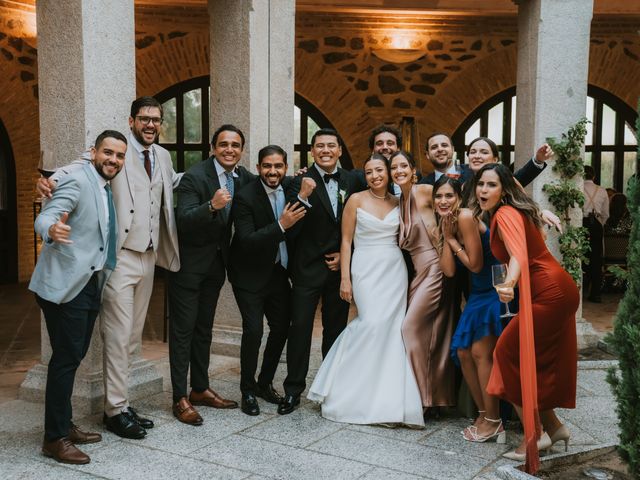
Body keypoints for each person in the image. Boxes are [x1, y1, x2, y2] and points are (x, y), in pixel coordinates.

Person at [38, 96, 182, 439]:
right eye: (144, 118)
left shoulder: (161, 156)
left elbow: (173, 183)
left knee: (131, 338)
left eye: (156, 119)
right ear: (132, 120)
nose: (150, 124)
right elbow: (72, 170)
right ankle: (115, 410)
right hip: (118, 258)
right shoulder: (114, 151)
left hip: (149, 258)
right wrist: (47, 181)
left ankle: (121, 402)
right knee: (117, 337)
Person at [473, 163, 579, 473]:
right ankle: (554, 427)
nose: (483, 190)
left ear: (503, 190)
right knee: (530, 358)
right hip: (557, 288)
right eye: (481, 184)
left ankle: (535, 434)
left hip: (549, 292)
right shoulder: (512, 210)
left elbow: (518, 254)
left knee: (506, 354)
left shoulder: (505, 214)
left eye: (491, 185)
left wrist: (508, 283)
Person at [30, 130, 127, 464]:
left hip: (89, 282)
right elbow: (46, 215)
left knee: (72, 356)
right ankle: (54, 438)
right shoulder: (78, 179)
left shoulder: (102, 183)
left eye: (119, 155)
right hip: (65, 286)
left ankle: (63, 425)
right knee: (66, 359)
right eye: (108, 153)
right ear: (93, 152)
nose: (113, 160)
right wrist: (50, 230)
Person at [307, 154, 424, 427]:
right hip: (365, 269)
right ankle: (345, 389)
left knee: (392, 331)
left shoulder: (400, 201)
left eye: (380, 170)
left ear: (389, 172)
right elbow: (346, 242)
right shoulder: (356, 200)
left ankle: (386, 402)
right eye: (369, 171)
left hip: (394, 270)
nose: (375, 176)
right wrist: (345, 279)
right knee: (370, 323)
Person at [169, 124, 254, 425]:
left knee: (204, 328)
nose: (229, 149)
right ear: (213, 148)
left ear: (241, 150)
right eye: (223, 144)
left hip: (216, 267)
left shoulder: (242, 178)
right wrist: (211, 206)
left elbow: (269, 187)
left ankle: (200, 389)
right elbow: (184, 219)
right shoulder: (196, 176)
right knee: (183, 331)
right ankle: (179, 397)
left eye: (235, 145)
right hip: (189, 267)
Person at [279, 128, 366, 415]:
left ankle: (331, 388)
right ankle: (293, 390)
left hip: (339, 270)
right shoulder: (296, 182)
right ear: (312, 152)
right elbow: (292, 229)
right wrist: (303, 196)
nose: (326, 150)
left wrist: (345, 256)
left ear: (340, 150)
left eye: (331, 146)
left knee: (335, 331)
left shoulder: (354, 180)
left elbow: (362, 222)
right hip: (306, 268)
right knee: (300, 330)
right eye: (320, 146)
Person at [228, 145, 313, 416]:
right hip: (249, 275)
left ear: (286, 168)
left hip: (278, 273)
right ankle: (247, 391)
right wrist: (281, 225)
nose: (272, 172)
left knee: (282, 328)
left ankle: (265, 382)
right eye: (267, 166)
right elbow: (247, 240)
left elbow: (309, 179)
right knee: (253, 331)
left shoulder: (290, 185)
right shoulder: (244, 197)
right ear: (258, 167)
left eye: (278, 166)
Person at [434, 176, 504, 443]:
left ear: (460, 199)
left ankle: (494, 420)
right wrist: (445, 236)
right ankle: (485, 413)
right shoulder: (449, 222)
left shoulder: (464, 216)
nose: (443, 201)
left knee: (478, 353)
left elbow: (474, 265)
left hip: (494, 292)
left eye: (449, 196)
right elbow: (450, 270)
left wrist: (451, 240)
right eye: (438, 197)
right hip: (478, 293)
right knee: (464, 353)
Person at [390, 151, 456, 413]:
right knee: (430, 333)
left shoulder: (426, 190)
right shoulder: (399, 201)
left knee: (410, 329)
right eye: (394, 167)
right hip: (418, 273)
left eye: (403, 165)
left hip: (436, 267)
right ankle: (432, 396)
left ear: (413, 168)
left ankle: (423, 399)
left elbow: (461, 204)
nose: (398, 170)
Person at [419, 133, 552, 188]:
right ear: (427, 155)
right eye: (434, 147)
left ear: (452, 149)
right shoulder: (423, 184)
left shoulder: (474, 170)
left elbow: (513, 182)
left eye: (444, 145)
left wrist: (538, 161)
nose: (440, 149)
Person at [582, 165, 610, 303]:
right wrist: (599, 225)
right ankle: (595, 294)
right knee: (596, 259)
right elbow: (606, 214)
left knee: (579, 256)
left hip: (581, 223)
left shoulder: (577, 189)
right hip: (596, 224)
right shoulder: (602, 190)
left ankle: (579, 290)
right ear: (593, 176)